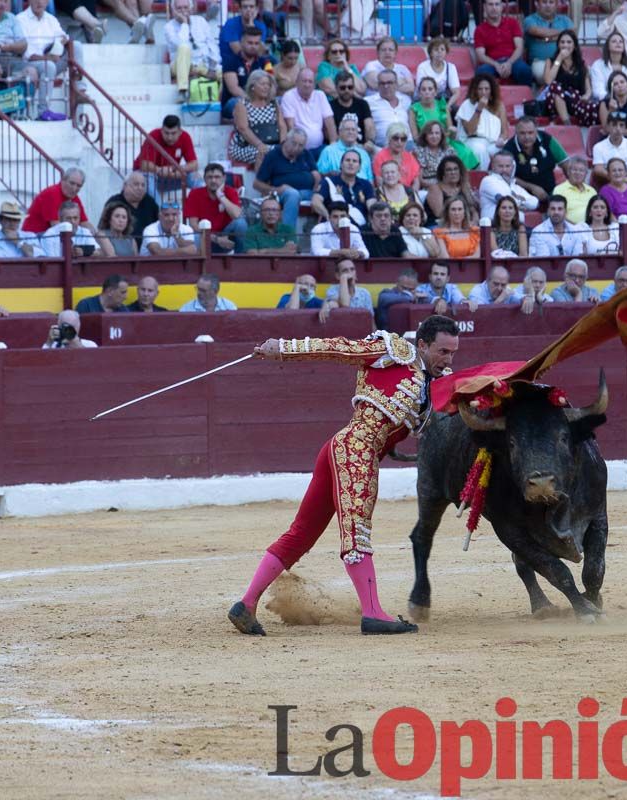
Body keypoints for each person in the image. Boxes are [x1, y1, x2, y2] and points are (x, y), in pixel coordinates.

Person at [228, 314, 460, 637]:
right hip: (355, 452)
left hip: (344, 450)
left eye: (453, 353)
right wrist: (282, 348)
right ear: (422, 344)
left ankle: (246, 604)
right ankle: (373, 613)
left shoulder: (433, 385)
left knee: (301, 534)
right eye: (443, 351)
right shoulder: (392, 350)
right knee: (356, 533)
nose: (448, 359)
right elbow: (338, 348)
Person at [253, 128, 319, 231]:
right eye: (294, 143)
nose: (296, 148)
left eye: (301, 145)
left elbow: (315, 173)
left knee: (327, 194)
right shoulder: (273, 156)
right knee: (293, 194)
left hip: (308, 192)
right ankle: (287, 238)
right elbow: (257, 184)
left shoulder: (305, 154)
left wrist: (316, 184)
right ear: (286, 140)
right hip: (283, 194)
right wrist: (277, 190)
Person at [15, 0, 70, 121]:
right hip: (31, 63)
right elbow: (26, 54)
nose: (39, 2)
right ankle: (43, 111)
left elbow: (63, 36)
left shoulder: (51, 19)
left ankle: (80, 86)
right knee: (49, 66)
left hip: (51, 59)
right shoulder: (20, 19)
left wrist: (58, 46)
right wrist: (47, 58)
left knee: (75, 47)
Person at [135, 114, 200, 201]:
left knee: (194, 176)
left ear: (180, 132)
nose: (169, 137)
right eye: (166, 133)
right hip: (150, 175)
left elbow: (194, 164)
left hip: (171, 175)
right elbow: (144, 165)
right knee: (148, 177)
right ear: (161, 130)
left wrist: (179, 169)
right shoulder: (154, 135)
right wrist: (159, 170)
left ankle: (204, 207)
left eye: (173, 133)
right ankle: (159, 212)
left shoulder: (185, 137)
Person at [185, 163, 247, 255]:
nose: (213, 180)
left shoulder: (231, 192)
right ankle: (200, 266)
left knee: (241, 223)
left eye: (217, 177)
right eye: (209, 177)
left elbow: (237, 215)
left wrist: (221, 197)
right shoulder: (195, 194)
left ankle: (240, 259)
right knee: (196, 236)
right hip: (207, 238)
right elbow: (194, 226)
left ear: (224, 178)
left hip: (227, 237)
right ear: (205, 179)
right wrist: (216, 239)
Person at [541, 30, 598, 127]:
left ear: (575, 46)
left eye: (569, 42)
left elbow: (588, 89)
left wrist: (586, 96)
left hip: (575, 101)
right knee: (555, 88)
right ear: (558, 45)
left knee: (596, 106)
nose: (565, 45)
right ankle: (568, 124)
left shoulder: (581, 65)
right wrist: (559, 58)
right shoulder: (550, 61)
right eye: (562, 42)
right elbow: (548, 81)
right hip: (554, 102)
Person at [163, 0, 218, 101]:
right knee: (184, 47)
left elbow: (212, 46)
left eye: (185, 7)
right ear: (173, 11)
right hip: (179, 65)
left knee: (224, 73)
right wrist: (184, 23)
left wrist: (212, 68)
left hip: (202, 64)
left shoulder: (201, 21)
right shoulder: (169, 27)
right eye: (179, 8)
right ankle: (182, 91)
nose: (183, 11)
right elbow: (181, 43)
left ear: (191, 8)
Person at [455, 73, 509, 170]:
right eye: (480, 89)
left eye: (486, 89)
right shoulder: (467, 105)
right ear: (475, 90)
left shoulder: (499, 106)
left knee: (509, 152)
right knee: (479, 150)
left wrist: (501, 139)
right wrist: (479, 108)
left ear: (491, 90)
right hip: (473, 141)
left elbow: (504, 131)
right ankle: (482, 177)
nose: (483, 92)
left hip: (494, 143)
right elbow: (470, 131)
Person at [220, 26, 273, 122]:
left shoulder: (265, 62)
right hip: (236, 101)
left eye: (256, 43)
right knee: (237, 103)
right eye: (250, 43)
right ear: (241, 42)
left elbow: (271, 84)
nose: (253, 46)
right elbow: (234, 89)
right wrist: (253, 101)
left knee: (280, 100)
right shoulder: (230, 61)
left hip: (260, 101)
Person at [280, 67, 336, 158]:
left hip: (320, 147)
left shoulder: (320, 95)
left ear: (314, 85)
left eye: (310, 81)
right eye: (304, 81)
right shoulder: (289, 96)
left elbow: (330, 122)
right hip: (299, 150)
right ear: (297, 82)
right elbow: (291, 126)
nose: (307, 85)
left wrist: (333, 144)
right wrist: (297, 147)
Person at [474, 0, 531, 86]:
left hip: (513, 61)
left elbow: (519, 48)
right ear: (484, 7)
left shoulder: (513, 23)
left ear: (501, 7)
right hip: (492, 64)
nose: (494, 8)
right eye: (490, 4)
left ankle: (526, 98)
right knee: (481, 73)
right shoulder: (479, 30)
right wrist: (496, 65)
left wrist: (509, 63)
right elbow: (480, 56)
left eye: (497, 4)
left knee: (525, 71)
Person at [313, 149, 375, 228]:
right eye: (347, 160)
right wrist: (328, 216)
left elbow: (372, 206)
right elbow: (315, 202)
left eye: (354, 161)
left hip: (359, 230)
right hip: (333, 228)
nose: (351, 163)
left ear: (359, 167)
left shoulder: (366, 184)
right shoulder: (328, 182)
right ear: (341, 165)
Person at [24, 168, 87, 234]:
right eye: (72, 183)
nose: (74, 188)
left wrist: (96, 234)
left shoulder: (73, 196)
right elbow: (56, 226)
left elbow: (84, 222)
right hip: (35, 236)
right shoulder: (52, 194)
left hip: (51, 235)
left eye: (79, 186)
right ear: (63, 180)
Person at [479, 151, 539, 221]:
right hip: (494, 226)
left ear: (513, 167)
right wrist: (522, 202)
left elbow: (535, 203)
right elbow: (506, 201)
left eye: (507, 166)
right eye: (500, 166)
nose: (504, 170)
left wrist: (518, 202)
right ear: (493, 167)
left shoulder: (514, 186)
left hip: (516, 226)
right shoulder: (488, 180)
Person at [591, 110, 627, 185]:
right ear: (608, 127)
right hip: (607, 184)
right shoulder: (598, 147)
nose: (618, 128)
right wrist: (625, 175)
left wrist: (611, 173)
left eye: (621, 125)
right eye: (614, 125)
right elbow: (598, 170)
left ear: (625, 128)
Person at [329, 72, 375, 152]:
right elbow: (330, 131)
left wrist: (370, 142)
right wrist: (351, 145)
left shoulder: (362, 104)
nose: (347, 90)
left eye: (350, 87)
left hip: (363, 146)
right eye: (343, 88)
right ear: (336, 88)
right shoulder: (330, 106)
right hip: (340, 147)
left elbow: (369, 126)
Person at [426, 155, 478, 226]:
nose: (453, 172)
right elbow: (439, 213)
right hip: (439, 225)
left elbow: (473, 210)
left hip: (463, 224)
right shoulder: (435, 188)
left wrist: (474, 221)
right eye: (449, 170)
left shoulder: (464, 187)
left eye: (456, 169)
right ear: (443, 173)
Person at [367, 70, 413, 149]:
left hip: (407, 144)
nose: (386, 86)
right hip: (383, 147)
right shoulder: (368, 102)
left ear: (396, 84)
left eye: (389, 83)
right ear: (378, 85)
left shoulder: (406, 100)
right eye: (382, 83)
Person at [318, 118, 373, 183]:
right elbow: (320, 176)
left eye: (353, 130)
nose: (351, 132)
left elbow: (370, 180)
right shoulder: (328, 151)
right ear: (340, 132)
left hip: (362, 190)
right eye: (347, 129)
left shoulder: (364, 154)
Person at [415, 36, 462, 110]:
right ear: (431, 53)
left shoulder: (451, 67)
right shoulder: (422, 67)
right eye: (436, 49)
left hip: (444, 101)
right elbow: (422, 90)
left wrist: (448, 105)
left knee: (456, 110)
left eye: (442, 49)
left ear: (446, 52)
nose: (439, 52)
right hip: (425, 100)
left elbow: (456, 92)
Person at [374, 123, 421, 193]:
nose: (399, 142)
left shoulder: (410, 157)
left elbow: (416, 181)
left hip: (408, 194)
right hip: (388, 193)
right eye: (396, 138)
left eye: (403, 139)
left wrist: (412, 195)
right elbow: (379, 181)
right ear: (389, 139)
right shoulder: (380, 156)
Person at [432, 195, 480, 259]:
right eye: (453, 209)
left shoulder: (474, 232)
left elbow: (476, 256)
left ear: (464, 212)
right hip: (449, 267)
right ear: (447, 212)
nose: (457, 213)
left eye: (460, 209)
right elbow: (445, 257)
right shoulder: (440, 233)